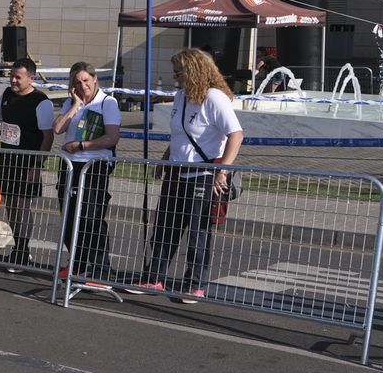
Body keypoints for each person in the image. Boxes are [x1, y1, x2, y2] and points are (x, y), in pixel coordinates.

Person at [137, 48, 243, 304]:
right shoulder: (180, 96)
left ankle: (195, 283)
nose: (174, 74)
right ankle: (154, 276)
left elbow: (236, 135)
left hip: (203, 174)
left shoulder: (214, 98)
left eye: (179, 69)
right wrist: (165, 159)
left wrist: (222, 171)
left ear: (194, 70)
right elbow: (182, 135)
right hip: (177, 171)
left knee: (198, 232)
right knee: (165, 227)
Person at [55, 62, 123, 284]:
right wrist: (75, 105)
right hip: (70, 166)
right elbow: (57, 128)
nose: (83, 85)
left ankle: (101, 269)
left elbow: (111, 137)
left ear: (95, 79)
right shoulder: (70, 102)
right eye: (77, 82)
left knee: (91, 218)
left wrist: (83, 146)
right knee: (69, 216)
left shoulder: (107, 103)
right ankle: (78, 263)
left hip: (93, 166)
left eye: (86, 80)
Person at [0, 58, 54, 268]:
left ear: (31, 78)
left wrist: (38, 165)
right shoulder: (7, 95)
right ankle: (18, 246)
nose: (13, 81)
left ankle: (22, 249)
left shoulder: (41, 101)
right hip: (7, 158)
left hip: (27, 162)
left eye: (18, 77)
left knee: (22, 205)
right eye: (11, 76)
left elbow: (48, 137)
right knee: (10, 204)